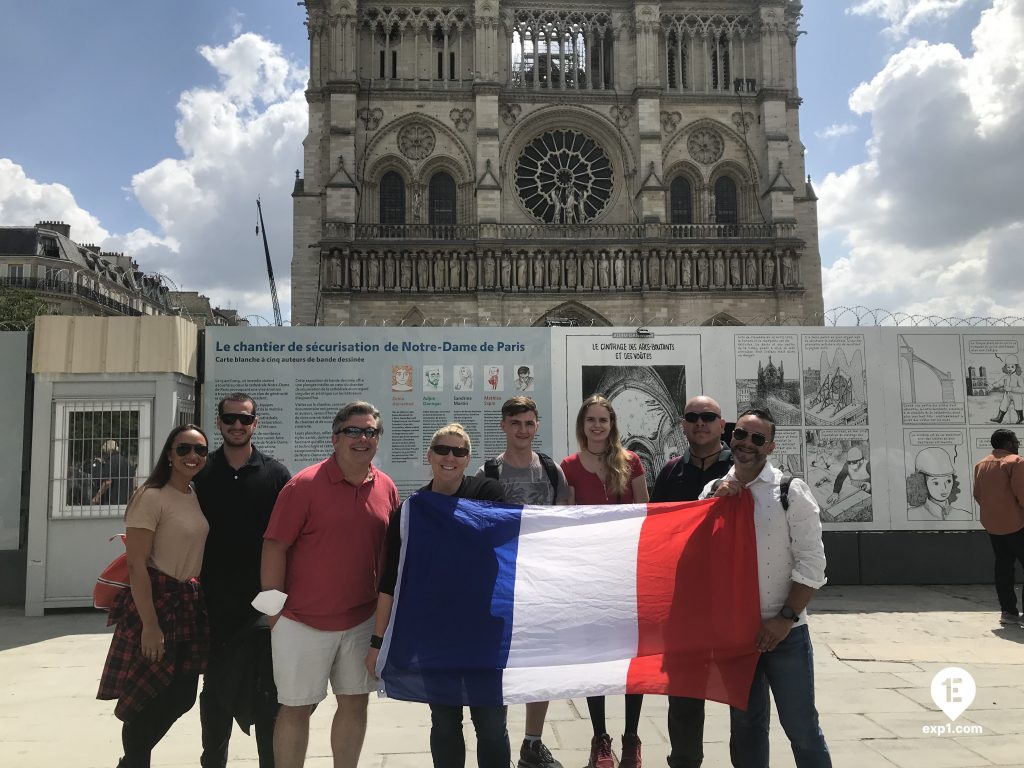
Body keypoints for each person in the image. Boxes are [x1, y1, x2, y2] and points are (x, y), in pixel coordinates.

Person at [260, 402, 399, 768]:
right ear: (335, 438)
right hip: (300, 621)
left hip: (361, 621)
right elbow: (274, 545)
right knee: (295, 707)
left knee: (355, 702)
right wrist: (275, 614)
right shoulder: (303, 485)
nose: (362, 438)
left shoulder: (386, 487)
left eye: (370, 432)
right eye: (354, 431)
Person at [367, 423, 510, 768]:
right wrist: (377, 643)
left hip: (484, 631)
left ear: (467, 458)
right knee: (445, 722)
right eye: (442, 450)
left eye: (458, 451)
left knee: (491, 725)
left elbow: (505, 539)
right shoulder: (410, 513)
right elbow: (391, 581)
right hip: (435, 634)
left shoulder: (488, 493)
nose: (450, 457)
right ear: (429, 456)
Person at [704, 408, 831, 768]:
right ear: (731, 437)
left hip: (785, 633)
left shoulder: (790, 491)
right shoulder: (712, 490)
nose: (747, 443)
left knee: (801, 727)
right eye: (741, 434)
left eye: (757, 438)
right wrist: (716, 495)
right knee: (745, 727)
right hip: (737, 635)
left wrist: (785, 618)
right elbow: (697, 549)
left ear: (771, 446)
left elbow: (812, 563)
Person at [97, 424, 211, 768]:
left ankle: (130, 760)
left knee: (182, 696)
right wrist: (150, 625)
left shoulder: (193, 493)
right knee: (145, 693)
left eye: (200, 451)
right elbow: (136, 566)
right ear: (169, 454)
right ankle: (134, 761)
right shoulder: (151, 496)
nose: (192, 456)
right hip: (156, 600)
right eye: (184, 449)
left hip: (188, 601)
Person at [194, 393, 292, 768]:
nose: (237, 425)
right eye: (229, 419)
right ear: (218, 422)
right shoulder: (200, 472)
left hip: (262, 604)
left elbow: (286, 541)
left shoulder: (275, 474)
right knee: (215, 692)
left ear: (256, 423)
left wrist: (280, 601)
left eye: (244, 420)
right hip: (212, 600)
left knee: (267, 693)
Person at [475, 396, 572, 768]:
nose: (523, 430)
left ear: (537, 425)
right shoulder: (488, 473)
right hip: (500, 585)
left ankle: (532, 743)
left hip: (542, 582)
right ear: (503, 426)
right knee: (500, 664)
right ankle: (496, 736)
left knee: (540, 663)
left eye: (529, 423)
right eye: (515, 423)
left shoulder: (551, 471)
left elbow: (564, 521)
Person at [560, 395, 649, 768]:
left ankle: (631, 737)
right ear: (582, 425)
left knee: (633, 656)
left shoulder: (631, 462)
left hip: (626, 571)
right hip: (589, 574)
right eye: (591, 419)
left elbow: (647, 512)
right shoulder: (568, 466)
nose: (597, 426)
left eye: (604, 420)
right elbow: (564, 519)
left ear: (612, 425)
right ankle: (600, 739)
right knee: (594, 655)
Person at [650, 396, 732, 768]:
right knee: (683, 694)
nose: (700, 423)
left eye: (708, 417)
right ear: (683, 425)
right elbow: (657, 530)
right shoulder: (670, 473)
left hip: (732, 596)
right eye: (693, 417)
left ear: (721, 423)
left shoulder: (741, 468)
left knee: (741, 693)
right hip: (683, 601)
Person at [973, 429, 1024, 626]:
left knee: (1003, 568)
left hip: (994, 526)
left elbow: (978, 495)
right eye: (1016, 440)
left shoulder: (981, 464)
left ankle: (1008, 612)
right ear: (1009, 443)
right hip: (1018, 524)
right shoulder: (1015, 462)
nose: (1018, 443)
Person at [906, 447, 971, 521]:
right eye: (936, 483)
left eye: (948, 481)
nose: (944, 488)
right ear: (922, 483)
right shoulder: (911, 515)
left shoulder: (964, 515)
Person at [92, 439, 135, 505]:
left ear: (108, 451)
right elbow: (133, 479)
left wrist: (97, 496)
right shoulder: (126, 461)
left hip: (111, 502)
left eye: (104, 452)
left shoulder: (110, 462)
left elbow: (107, 482)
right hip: (126, 501)